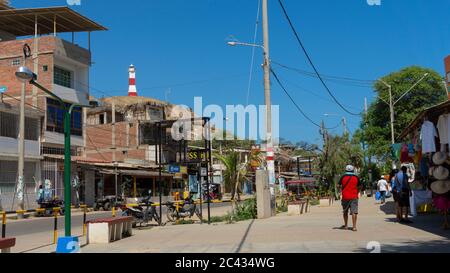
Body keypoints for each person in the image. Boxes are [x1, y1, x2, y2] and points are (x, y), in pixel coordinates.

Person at [338, 165, 362, 232]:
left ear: (346, 170)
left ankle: (346, 225)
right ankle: (354, 227)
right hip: (354, 196)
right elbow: (360, 186)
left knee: (345, 211)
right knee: (354, 212)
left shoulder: (343, 177)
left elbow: (338, 185)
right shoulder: (356, 177)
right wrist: (357, 191)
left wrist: (341, 189)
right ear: (352, 170)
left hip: (345, 196)